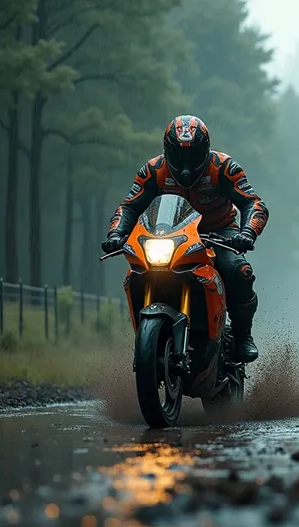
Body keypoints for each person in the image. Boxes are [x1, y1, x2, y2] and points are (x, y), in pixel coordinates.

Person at [101, 115, 268, 363]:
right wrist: (116, 233)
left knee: (239, 270)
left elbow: (253, 203)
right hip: (167, 234)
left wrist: (247, 233)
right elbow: (129, 207)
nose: (186, 165)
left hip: (220, 233)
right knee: (136, 270)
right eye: (179, 156)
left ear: (206, 149)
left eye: (193, 155)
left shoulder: (224, 167)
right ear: (167, 151)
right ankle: (147, 339)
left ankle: (243, 335)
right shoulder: (153, 171)